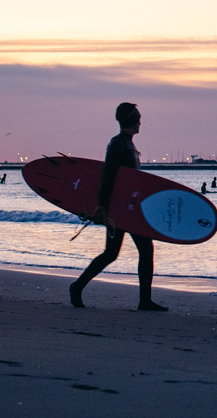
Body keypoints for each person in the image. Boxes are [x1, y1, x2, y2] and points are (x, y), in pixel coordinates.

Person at [69, 102, 168, 312]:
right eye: (138, 118)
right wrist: (103, 206)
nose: (141, 122)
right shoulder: (117, 144)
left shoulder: (128, 144)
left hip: (130, 210)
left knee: (121, 252)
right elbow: (108, 176)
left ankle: (143, 300)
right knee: (123, 251)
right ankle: (78, 287)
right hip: (117, 211)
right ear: (133, 121)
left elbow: (133, 182)